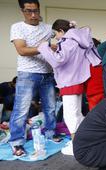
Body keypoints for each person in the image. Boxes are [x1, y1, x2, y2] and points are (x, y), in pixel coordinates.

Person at [38, 19, 104, 155]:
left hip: (69, 81)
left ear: (61, 31)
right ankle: (83, 141)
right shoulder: (80, 40)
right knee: (77, 114)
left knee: (70, 116)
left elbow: (58, 60)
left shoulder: (69, 41)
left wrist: (44, 47)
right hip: (78, 80)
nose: (56, 37)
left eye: (56, 33)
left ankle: (77, 146)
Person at [9, 0, 60, 156]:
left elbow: (63, 33)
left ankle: (50, 133)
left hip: (48, 73)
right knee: (21, 109)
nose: (33, 15)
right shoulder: (17, 27)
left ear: (39, 10)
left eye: (36, 11)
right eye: (28, 11)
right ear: (22, 11)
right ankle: (17, 142)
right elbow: (22, 50)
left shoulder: (48, 28)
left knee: (51, 107)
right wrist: (45, 48)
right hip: (27, 74)